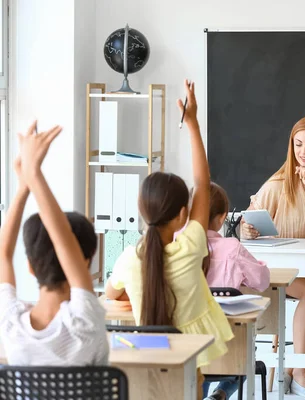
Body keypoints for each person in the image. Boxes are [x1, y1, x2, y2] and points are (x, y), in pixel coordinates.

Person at [106, 80, 233, 400]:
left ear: (142, 210)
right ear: (182, 214)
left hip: (143, 358)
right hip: (186, 358)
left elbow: (111, 296)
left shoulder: (128, 259)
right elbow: (203, 184)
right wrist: (192, 123)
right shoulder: (191, 246)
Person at [242, 116, 305, 398]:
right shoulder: (276, 184)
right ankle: (300, 372)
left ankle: (289, 369)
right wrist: (247, 229)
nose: (304, 152)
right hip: (277, 268)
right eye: (298, 144)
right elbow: (245, 222)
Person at [0, 122, 108, 365]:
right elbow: (64, 242)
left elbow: (3, 254)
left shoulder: (10, 324)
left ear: (29, 266)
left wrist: (24, 185)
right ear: (85, 261)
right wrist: (33, 173)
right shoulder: (85, 321)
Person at [202, 182, 270, 400]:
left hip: (189, 348)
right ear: (223, 218)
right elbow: (261, 282)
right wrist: (257, 264)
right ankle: (221, 393)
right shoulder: (232, 248)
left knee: (200, 362)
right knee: (244, 351)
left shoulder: (178, 245)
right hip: (229, 348)